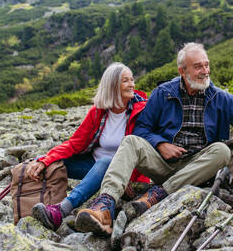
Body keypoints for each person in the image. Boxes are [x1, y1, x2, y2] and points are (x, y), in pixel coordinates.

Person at [74, 43, 233, 236]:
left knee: (222, 151)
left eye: (206, 65)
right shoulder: (163, 93)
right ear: (182, 71)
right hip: (162, 163)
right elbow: (141, 128)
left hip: (198, 169)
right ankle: (105, 206)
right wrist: (160, 144)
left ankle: (157, 195)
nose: (205, 71)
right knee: (130, 141)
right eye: (197, 66)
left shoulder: (222, 99)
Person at [27, 62, 149, 231]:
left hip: (126, 175)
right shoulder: (98, 112)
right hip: (94, 166)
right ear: (112, 85)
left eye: (132, 80)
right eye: (125, 81)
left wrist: (127, 176)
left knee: (106, 162)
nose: (132, 84)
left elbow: (145, 150)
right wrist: (43, 160)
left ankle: (61, 210)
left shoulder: (142, 111)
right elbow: (74, 143)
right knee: (53, 163)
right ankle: (36, 202)